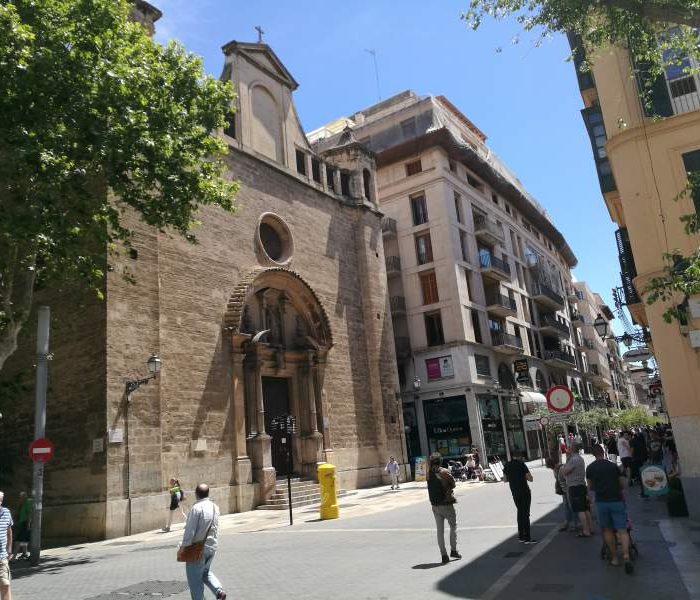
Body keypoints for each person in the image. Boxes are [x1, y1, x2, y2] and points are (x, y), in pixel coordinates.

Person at [586, 445, 634, 574]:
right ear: (603, 452)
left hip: (602, 501)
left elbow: (590, 486)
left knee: (607, 530)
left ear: (593, 454)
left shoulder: (590, 468)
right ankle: (626, 555)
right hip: (617, 500)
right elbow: (622, 483)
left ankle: (614, 558)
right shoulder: (613, 466)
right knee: (622, 530)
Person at [179, 484, 226, 600]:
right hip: (212, 547)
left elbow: (190, 531)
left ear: (196, 494)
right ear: (208, 493)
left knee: (195, 582)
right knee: (205, 572)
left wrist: (183, 547)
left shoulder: (196, 509)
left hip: (197, 549)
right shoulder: (215, 507)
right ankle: (219, 591)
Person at [427, 455, 461, 564]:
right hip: (446, 504)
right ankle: (454, 550)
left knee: (440, 531)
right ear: (440, 461)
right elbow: (454, 484)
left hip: (435, 505)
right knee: (453, 526)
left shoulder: (428, 474)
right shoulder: (444, 472)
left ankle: (443, 555)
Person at [503, 452, 536, 544]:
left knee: (520, 513)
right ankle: (527, 538)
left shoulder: (507, 465)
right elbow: (530, 478)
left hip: (515, 493)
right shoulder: (521, 464)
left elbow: (505, 479)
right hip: (524, 492)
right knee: (525, 514)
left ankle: (521, 536)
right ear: (519, 457)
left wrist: (513, 478)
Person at [561, 444, 593, 537]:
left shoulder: (573, 459)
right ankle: (590, 528)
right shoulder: (579, 458)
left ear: (572, 449)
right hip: (581, 485)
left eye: (569, 448)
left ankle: (586, 530)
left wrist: (566, 462)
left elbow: (565, 472)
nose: (567, 450)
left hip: (575, 486)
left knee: (580, 510)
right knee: (585, 509)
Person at [546, 457, 573, 532]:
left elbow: (567, 479)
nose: (551, 469)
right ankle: (568, 522)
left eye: (550, 467)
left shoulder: (561, 468)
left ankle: (572, 524)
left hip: (568, 490)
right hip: (563, 490)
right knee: (566, 506)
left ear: (553, 464)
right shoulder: (555, 469)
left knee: (570, 506)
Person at [0, 491, 13, 600]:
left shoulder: (6, 512)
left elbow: (9, 532)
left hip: (2, 556)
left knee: (5, 584)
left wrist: (9, 550)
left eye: (0, 500)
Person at [12, 493, 31, 561]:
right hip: (23, 523)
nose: (19, 499)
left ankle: (13, 558)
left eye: (20, 498)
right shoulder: (23, 504)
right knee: (24, 540)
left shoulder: (27, 503)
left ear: (24, 497)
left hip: (26, 523)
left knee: (18, 540)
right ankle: (25, 554)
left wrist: (28, 524)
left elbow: (29, 514)